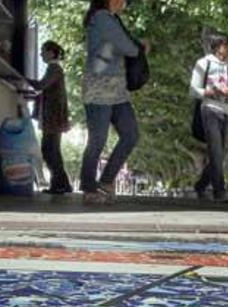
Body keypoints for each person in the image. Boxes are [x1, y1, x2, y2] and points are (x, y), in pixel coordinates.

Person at [80, 0, 147, 204]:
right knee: (97, 140)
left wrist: (136, 47)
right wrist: (141, 47)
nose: (125, 2)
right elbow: (128, 48)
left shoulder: (111, 19)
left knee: (130, 134)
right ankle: (89, 187)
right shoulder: (101, 17)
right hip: (99, 88)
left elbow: (117, 48)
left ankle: (106, 180)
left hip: (117, 90)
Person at [191, 33, 228, 202]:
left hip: (227, 111)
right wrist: (212, 91)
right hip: (209, 109)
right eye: (225, 45)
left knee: (221, 153)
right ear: (217, 46)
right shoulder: (203, 63)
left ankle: (201, 185)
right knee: (216, 150)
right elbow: (193, 90)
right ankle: (219, 191)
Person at [31, 40, 71, 194]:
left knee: (49, 150)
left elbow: (41, 85)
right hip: (55, 117)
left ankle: (58, 185)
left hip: (53, 117)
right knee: (53, 150)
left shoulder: (54, 69)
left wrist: (23, 78)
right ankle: (63, 184)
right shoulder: (54, 69)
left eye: (43, 51)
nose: (41, 54)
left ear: (50, 52)